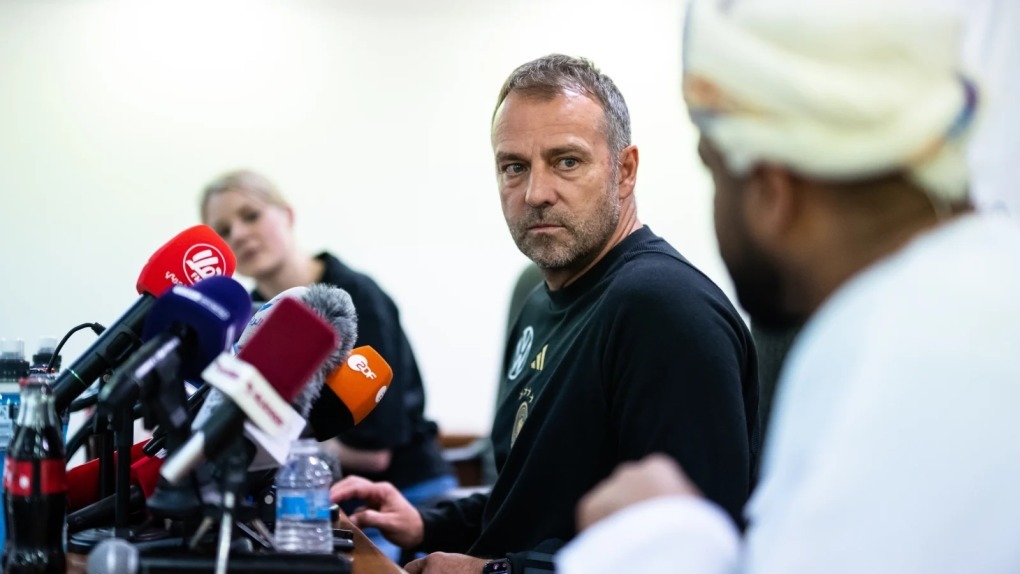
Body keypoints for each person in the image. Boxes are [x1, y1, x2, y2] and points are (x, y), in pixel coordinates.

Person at [557, 1, 1020, 573]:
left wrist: (658, 535)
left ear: (772, 193)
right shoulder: (954, 298)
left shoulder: (907, 358)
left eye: (713, 170)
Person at [330, 54, 760, 574]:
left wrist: (493, 572)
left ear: (624, 171)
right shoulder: (538, 300)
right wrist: (428, 523)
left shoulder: (664, 309)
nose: (536, 193)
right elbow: (533, 498)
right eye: (514, 167)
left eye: (567, 161)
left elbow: (691, 552)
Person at [199, 169, 456, 561]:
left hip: (405, 497)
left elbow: (374, 452)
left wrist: (273, 435)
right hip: (314, 497)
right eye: (223, 231)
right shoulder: (249, 319)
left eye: (250, 216)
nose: (239, 235)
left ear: (287, 215)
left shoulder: (355, 296)